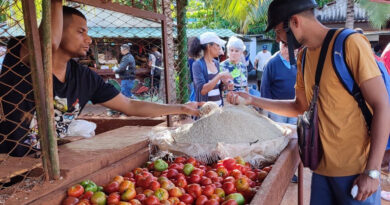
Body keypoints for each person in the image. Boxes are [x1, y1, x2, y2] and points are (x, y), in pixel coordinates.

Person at [227, 0, 390, 204]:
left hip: (356, 172)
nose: (278, 38)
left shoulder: (349, 44)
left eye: (278, 31)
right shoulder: (303, 57)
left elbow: (382, 105)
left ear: (294, 22)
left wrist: (372, 171)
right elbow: (299, 107)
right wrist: (252, 99)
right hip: (321, 170)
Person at [0, 3, 201, 157]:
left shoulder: (84, 77)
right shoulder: (24, 56)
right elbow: (47, 44)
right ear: (57, 30)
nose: (89, 39)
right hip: (8, 161)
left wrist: (180, 108)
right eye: (81, 32)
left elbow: (129, 105)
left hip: (43, 163)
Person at [189, 32, 232, 107]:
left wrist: (226, 86)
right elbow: (202, 90)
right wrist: (219, 76)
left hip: (218, 109)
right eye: (217, 45)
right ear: (209, 46)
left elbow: (216, 88)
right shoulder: (197, 65)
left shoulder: (216, 63)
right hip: (206, 112)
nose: (219, 48)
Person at [260, 42, 297, 124]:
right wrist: (266, 108)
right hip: (277, 108)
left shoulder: (295, 62)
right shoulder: (272, 63)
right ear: (283, 47)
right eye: (294, 49)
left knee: (293, 132)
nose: (296, 51)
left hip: (294, 106)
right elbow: (265, 87)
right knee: (280, 132)